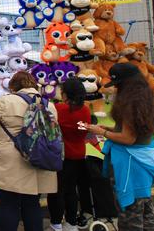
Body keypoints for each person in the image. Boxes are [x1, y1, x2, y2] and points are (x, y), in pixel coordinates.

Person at [85, 63, 154, 230]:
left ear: (126, 83)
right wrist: (109, 129)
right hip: (145, 159)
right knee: (146, 210)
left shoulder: (130, 103)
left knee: (130, 212)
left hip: (131, 164)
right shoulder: (146, 97)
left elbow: (127, 138)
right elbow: (133, 130)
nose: (116, 88)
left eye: (118, 84)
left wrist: (101, 132)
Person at [0, 71, 58, 231]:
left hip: (10, 161)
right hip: (40, 157)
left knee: (8, 204)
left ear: (13, 86)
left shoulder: (6, 101)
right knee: (32, 204)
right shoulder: (49, 105)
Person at [46, 78, 90, 231]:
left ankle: (56, 223)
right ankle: (71, 223)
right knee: (71, 189)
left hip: (60, 155)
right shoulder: (85, 110)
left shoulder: (58, 108)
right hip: (78, 154)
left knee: (56, 190)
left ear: (65, 93)